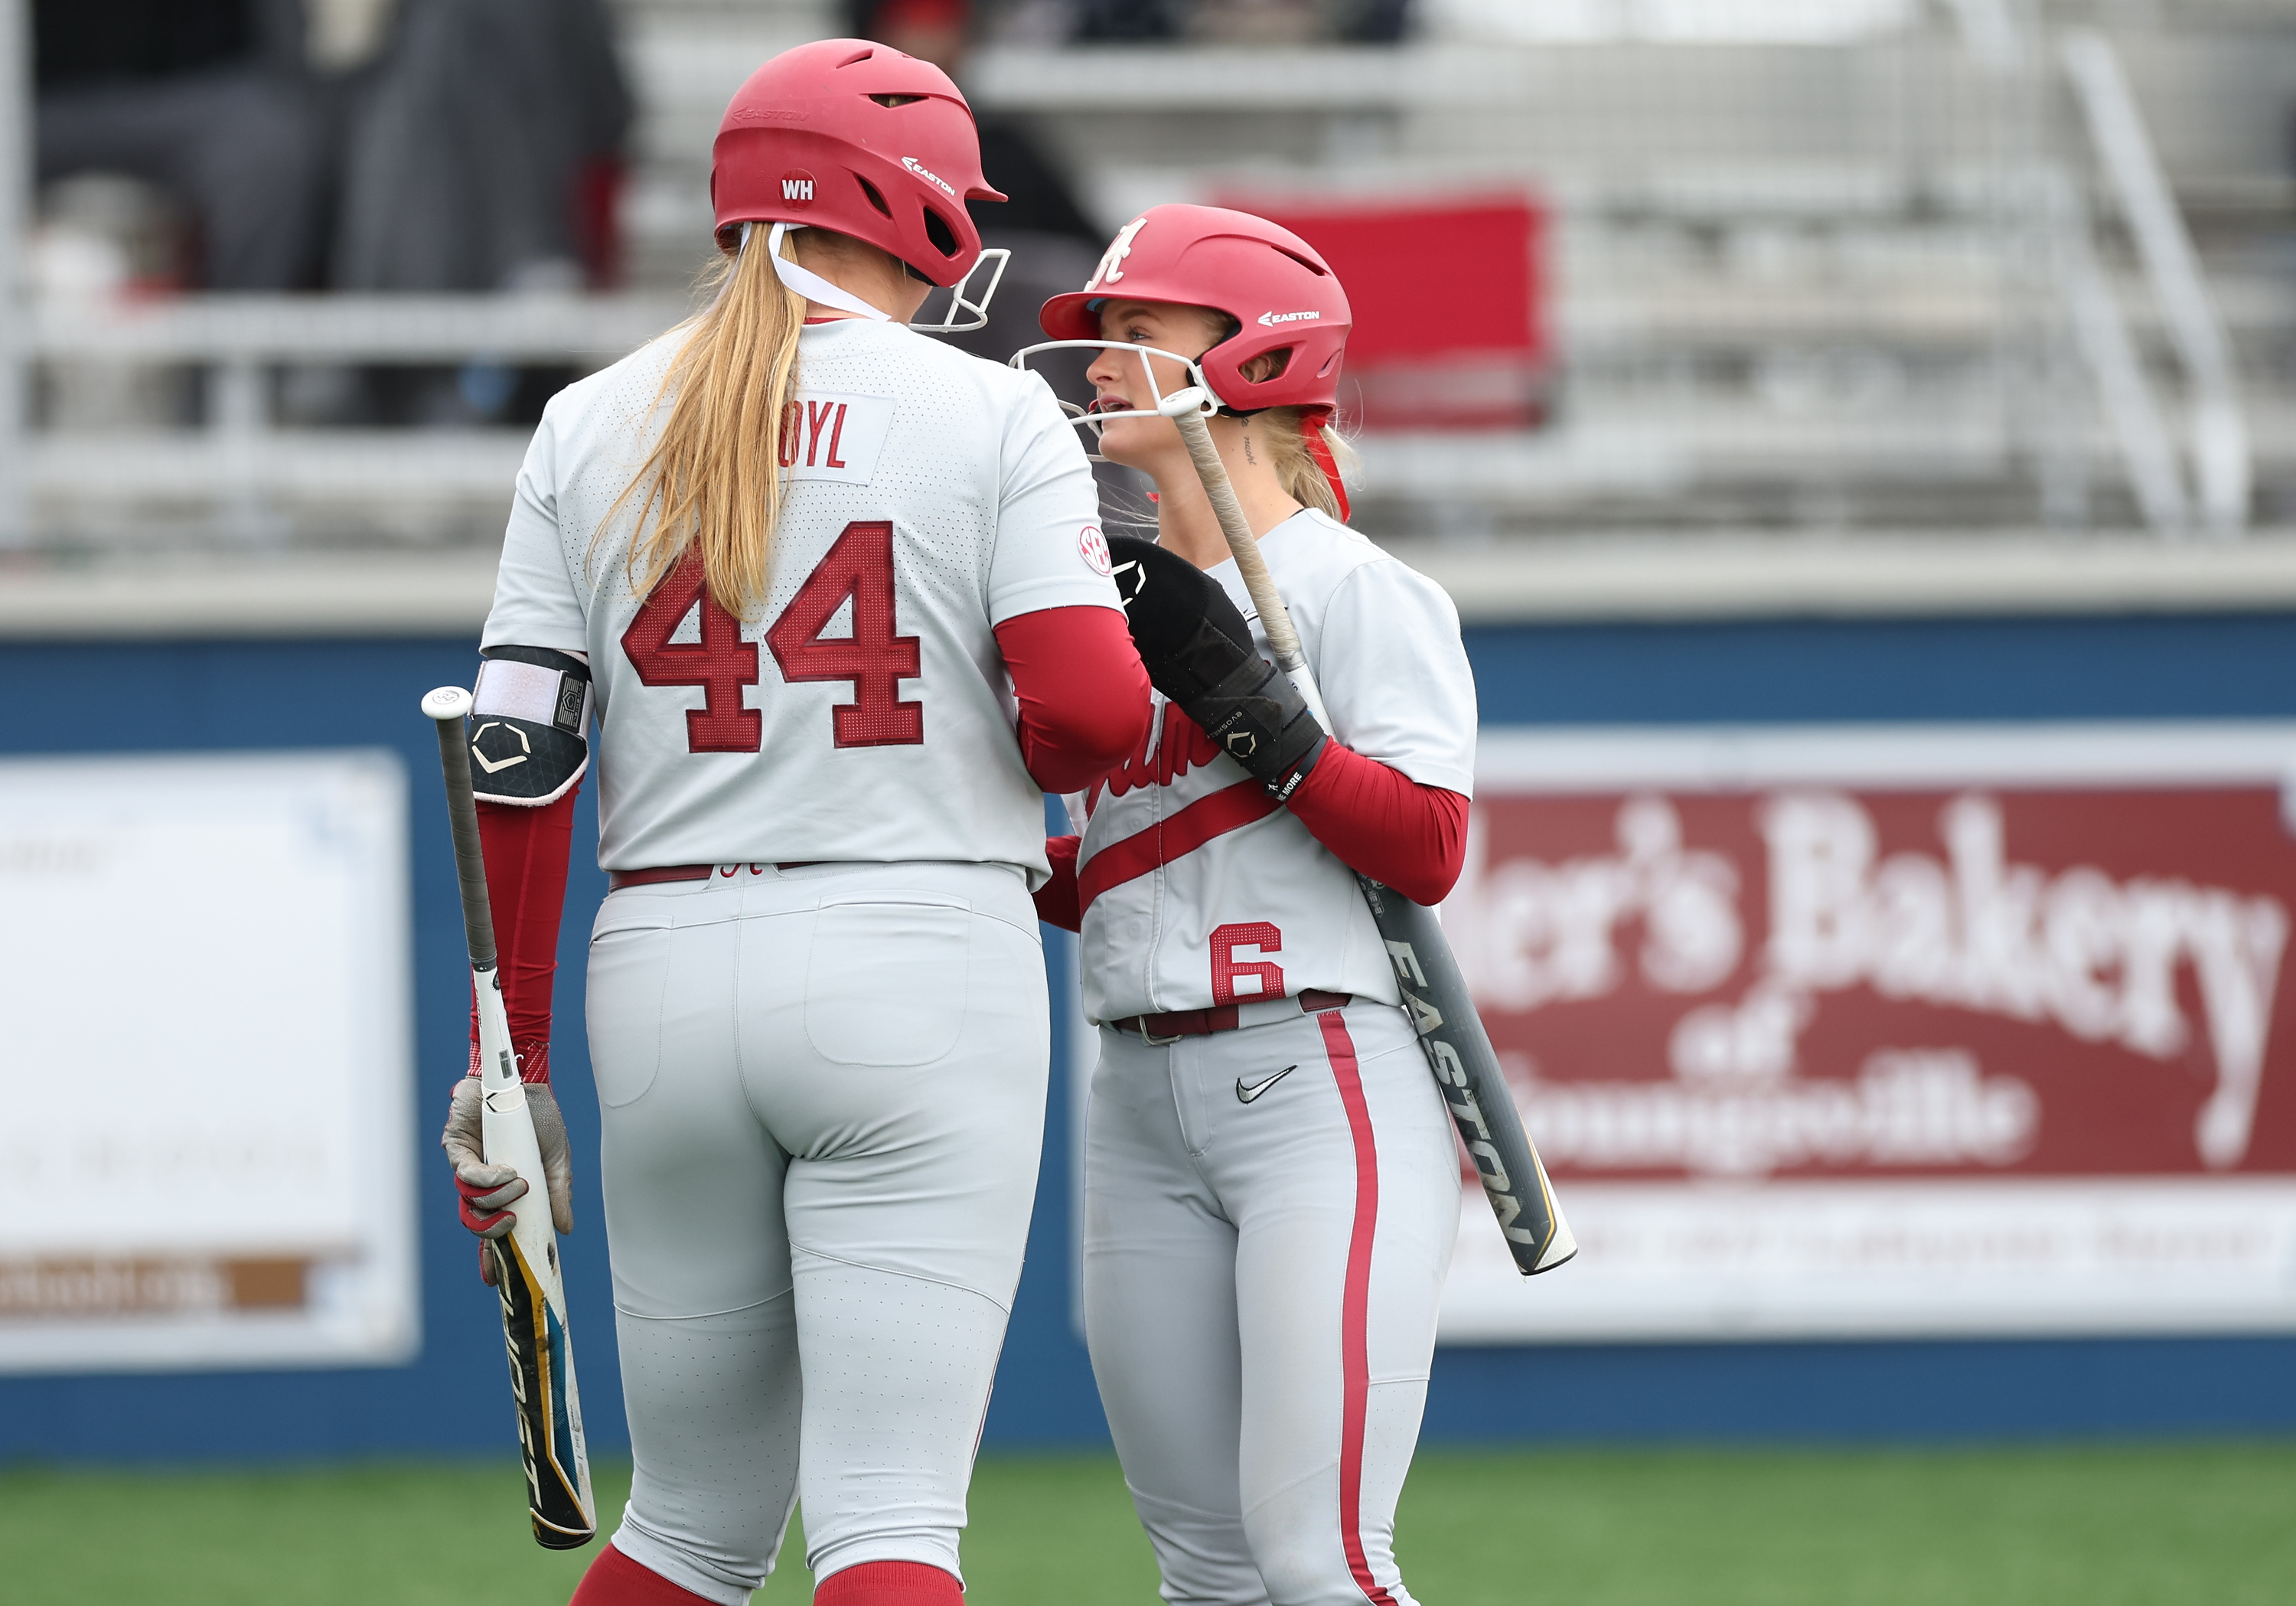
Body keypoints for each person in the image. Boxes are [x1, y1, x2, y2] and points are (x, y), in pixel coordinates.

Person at [435, 40, 1150, 1606]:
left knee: (684, 1529)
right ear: (915, 208)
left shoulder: (588, 420)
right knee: (890, 1520)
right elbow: (1095, 718)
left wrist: (515, 1062)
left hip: (665, 959)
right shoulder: (990, 415)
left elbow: (515, 752)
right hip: (917, 945)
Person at [1017, 205, 1476, 1606]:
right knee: (1205, 1572)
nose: (1101, 362)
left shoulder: (1359, 589)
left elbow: (1427, 842)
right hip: (1136, 1091)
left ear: (1256, 358)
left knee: (1320, 1560)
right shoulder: (1090, 596)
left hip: (1319, 1075)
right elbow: (1101, 877)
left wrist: (1257, 711)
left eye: (1140, 332)